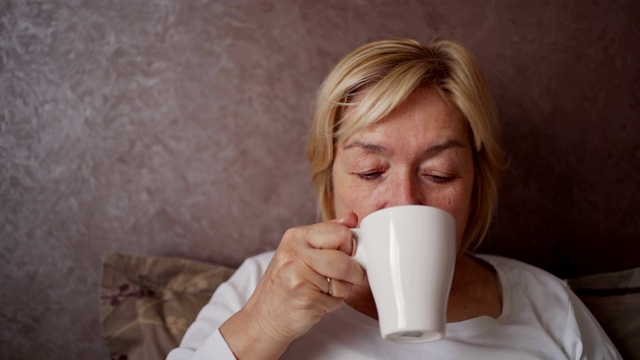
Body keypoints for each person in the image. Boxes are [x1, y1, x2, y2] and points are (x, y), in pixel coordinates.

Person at [167, 38, 621, 359]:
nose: (405, 201)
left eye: (439, 174)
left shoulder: (546, 305)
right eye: (370, 171)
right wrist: (263, 326)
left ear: (476, 184)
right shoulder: (261, 284)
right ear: (330, 180)